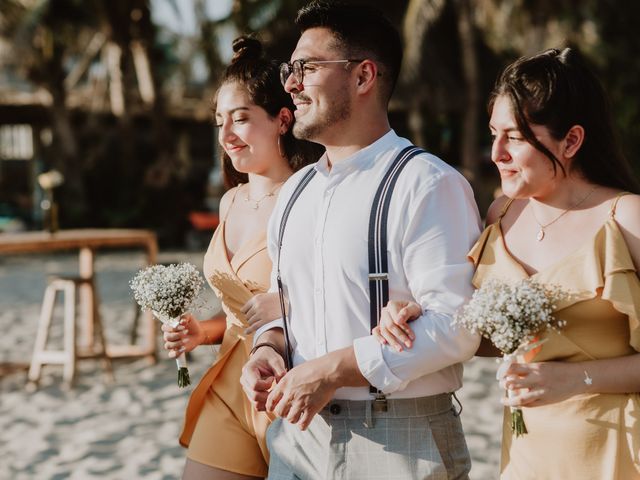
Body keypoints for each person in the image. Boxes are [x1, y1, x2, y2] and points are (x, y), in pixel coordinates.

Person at [239, 2, 481, 478]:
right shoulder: (294, 193)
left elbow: (458, 325)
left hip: (400, 438)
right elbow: (289, 308)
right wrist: (268, 349)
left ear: (364, 76)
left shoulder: (426, 183)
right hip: (298, 439)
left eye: (306, 68)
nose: (290, 83)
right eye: (290, 69)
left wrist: (333, 370)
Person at [374, 47, 640, 480]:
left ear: (571, 140)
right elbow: (483, 336)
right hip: (526, 454)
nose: (496, 152)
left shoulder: (626, 218)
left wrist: (576, 379)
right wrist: (417, 313)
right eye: (494, 133)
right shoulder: (501, 213)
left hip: (617, 454)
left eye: (514, 137)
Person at [161, 36, 322, 480]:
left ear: (283, 120)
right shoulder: (230, 201)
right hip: (230, 384)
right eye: (219, 122)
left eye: (241, 119)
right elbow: (239, 311)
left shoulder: (314, 198)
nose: (226, 135)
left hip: (290, 388)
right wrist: (202, 331)